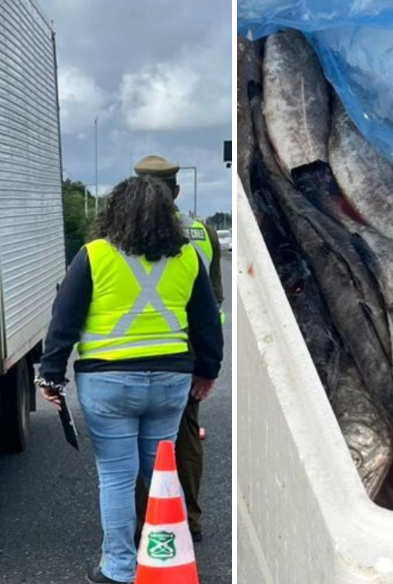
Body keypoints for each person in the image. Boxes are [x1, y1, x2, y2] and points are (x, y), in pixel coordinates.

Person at [36, 176, 223, 584]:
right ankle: (169, 558)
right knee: (162, 471)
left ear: (114, 212)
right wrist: (208, 371)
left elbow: (63, 322)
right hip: (172, 381)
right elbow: (207, 323)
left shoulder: (94, 256)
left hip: (109, 382)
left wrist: (51, 377)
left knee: (117, 477)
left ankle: (118, 568)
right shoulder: (188, 257)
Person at [132, 154, 223, 543]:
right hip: (186, 353)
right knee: (183, 436)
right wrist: (207, 364)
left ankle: (146, 522)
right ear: (176, 191)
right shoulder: (203, 233)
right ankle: (189, 518)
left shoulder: (117, 236)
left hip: (132, 351)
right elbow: (214, 298)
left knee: (137, 438)